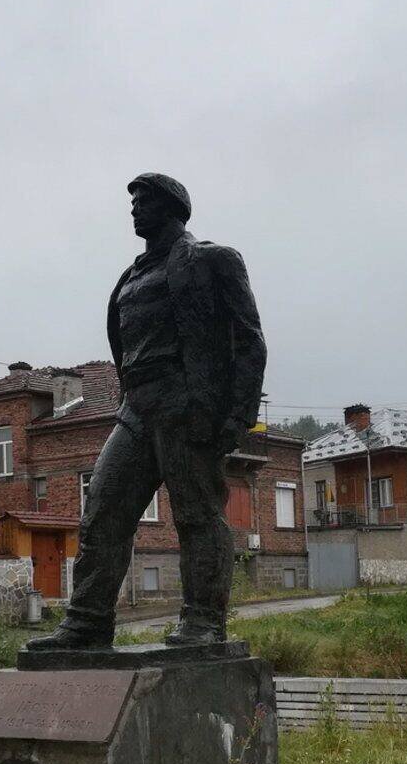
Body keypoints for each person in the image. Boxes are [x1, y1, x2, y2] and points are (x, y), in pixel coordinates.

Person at [32, 172, 266, 648]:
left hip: (187, 405)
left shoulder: (213, 260)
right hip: (136, 407)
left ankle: (203, 622)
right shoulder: (130, 277)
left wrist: (237, 416)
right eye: (133, 201)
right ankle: (87, 624)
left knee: (197, 515)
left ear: (174, 207)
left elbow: (250, 341)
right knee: (102, 511)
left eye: (145, 200)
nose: (134, 208)